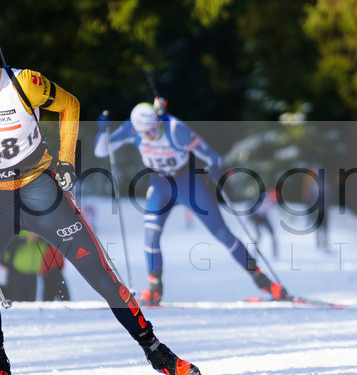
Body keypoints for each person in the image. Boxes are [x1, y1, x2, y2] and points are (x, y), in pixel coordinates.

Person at [0, 25, 204, 375]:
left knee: (99, 275)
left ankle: (158, 352)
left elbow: (69, 105)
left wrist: (65, 160)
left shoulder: (24, 83)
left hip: (38, 188)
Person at [93, 99, 288, 305]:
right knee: (150, 234)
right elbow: (101, 151)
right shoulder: (132, 128)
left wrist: (214, 167)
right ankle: (155, 288)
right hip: (160, 185)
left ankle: (263, 280)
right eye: (145, 133)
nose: (149, 135)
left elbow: (212, 155)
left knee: (221, 233)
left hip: (187, 183)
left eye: (152, 129)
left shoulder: (175, 129)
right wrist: (102, 131)